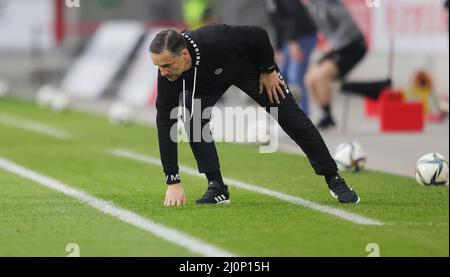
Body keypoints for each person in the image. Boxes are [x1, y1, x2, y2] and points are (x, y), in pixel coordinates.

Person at [149, 24, 360, 206]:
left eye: (167, 65)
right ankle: (217, 187)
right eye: (158, 66)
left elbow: (258, 34)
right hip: (207, 84)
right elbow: (164, 122)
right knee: (193, 121)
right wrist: (172, 181)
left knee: (293, 119)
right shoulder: (166, 76)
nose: (163, 72)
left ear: (184, 54)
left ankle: (334, 179)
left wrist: (268, 70)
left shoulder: (216, 39)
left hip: (252, 70)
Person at [304, 0, 367, 129]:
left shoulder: (328, 3)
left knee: (322, 75)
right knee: (309, 79)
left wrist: (333, 43)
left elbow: (347, 24)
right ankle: (324, 113)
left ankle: (328, 116)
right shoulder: (312, 6)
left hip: (352, 46)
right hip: (337, 47)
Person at [265, 0, 317, 116]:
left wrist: (294, 42)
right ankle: (286, 115)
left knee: (296, 76)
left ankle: (303, 116)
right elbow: (277, 24)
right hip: (288, 39)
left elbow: (294, 16)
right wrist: (278, 49)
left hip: (302, 36)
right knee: (281, 75)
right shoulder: (269, 2)